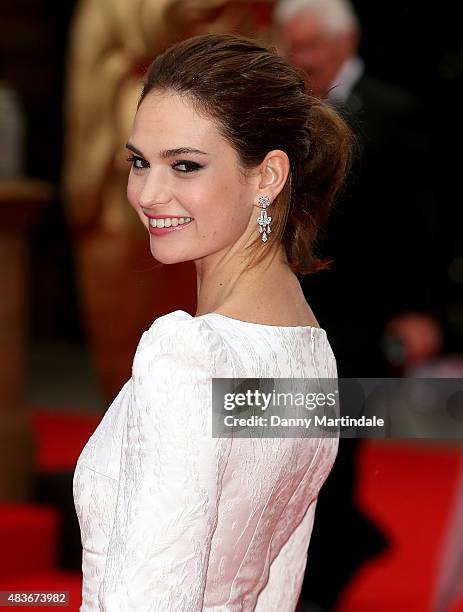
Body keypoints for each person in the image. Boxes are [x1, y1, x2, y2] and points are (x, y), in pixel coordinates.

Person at [73, 33, 353, 611]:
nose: (149, 193)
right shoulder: (310, 349)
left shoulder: (186, 357)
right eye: (139, 162)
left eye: (185, 165)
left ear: (268, 176)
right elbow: (278, 582)